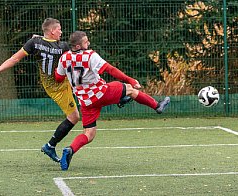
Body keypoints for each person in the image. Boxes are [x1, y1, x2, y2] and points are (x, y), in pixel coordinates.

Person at [55, 31, 170, 171]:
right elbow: (110, 69)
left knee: (89, 134)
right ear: (78, 45)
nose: (89, 43)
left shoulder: (64, 58)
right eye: (86, 42)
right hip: (100, 94)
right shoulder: (90, 55)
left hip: (85, 101)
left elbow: (59, 77)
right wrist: (130, 79)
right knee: (130, 89)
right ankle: (157, 106)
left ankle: (70, 149)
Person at [0, 18, 80, 163]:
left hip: (62, 82)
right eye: (59, 29)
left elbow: (14, 58)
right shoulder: (62, 47)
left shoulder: (36, 43)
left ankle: (117, 95)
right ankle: (50, 146)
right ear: (52, 31)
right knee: (74, 117)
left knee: (83, 94)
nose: (61, 32)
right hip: (57, 88)